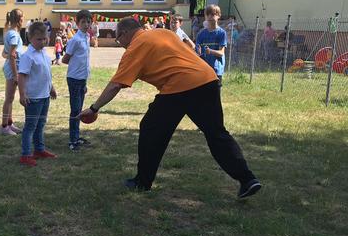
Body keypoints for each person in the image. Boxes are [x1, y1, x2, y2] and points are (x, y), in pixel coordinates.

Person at [78, 18, 261, 199]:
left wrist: (93, 108)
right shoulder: (164, 33)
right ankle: (247, 179)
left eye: (118, 39)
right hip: (207, 79)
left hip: (179, 86)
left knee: (151, 129)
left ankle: (143, 181)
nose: (120, 44)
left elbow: (115, 85)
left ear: (125, 34)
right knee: (217, 134)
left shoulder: (135, 47)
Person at [18, 22, 57, 166]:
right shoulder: (28, 56)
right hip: (33, 98)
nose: (43, 42)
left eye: (45, 38)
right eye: (39, 39)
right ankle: (26, 154)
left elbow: (47, 73)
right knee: (30, 126)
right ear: (30, 38)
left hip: (45, 95)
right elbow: (21, 76)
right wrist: (22, 94)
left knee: (41, 124)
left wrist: (51, 88)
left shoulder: (45, 54)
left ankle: (39, 150)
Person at [62, 9, 92, 151]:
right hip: (74, 78)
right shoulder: (75, 40)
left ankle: (77, 136)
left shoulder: (87, 38)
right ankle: (72, 141)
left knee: (79, 109)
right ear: (77, 23)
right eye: (83, 22)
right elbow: (65, 59)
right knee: (75, 110)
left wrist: (85, 81)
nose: (86, 24)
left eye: (88, 21)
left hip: (82, 79)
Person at [0, 9, 25, 136]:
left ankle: (10, 123)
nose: (23, 20)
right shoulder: (14, 35)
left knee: (10, 98)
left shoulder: (10, 32)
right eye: (22, 18)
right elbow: (12, 56)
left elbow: (5, 53)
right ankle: (4, 126)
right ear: (19, 19)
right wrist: (16, 75)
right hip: (13, 69)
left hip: (12, 68)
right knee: (9, 98)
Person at [196, 4, 227, 88]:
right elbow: (197, 52)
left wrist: (210, 51)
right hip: (204, 70)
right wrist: (197, 53)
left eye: (213, 14)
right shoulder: (201, 34)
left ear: (218, 16)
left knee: (216, 96)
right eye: (207, 14)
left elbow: (221, 53)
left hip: (216, 71)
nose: (210, 16)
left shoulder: (221, 33)